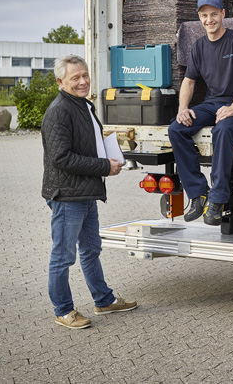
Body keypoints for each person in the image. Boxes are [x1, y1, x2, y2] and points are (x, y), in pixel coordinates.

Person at [42, 55, 137, 330]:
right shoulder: (59, 110)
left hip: (84, 193)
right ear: (60, 82)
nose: (83, 81)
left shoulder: (84, 105)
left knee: (91, 249)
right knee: (63, 256)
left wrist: (108, 155)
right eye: (75, 78)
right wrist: (103, 166)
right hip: (67, 195)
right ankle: (63, 310)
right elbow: (61, 158)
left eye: (85, 75)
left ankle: (103, 300)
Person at [169, 0, 233, 226]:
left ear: (223, 14)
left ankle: (218, 199)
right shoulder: (198, 46)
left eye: (213, 14)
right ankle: (198, 194)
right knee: (177, 129)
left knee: (223, 130)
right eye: (204, 15)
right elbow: (189, 81)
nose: (209, 20)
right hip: (211, 104)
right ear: (199, 18)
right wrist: (183, 108)